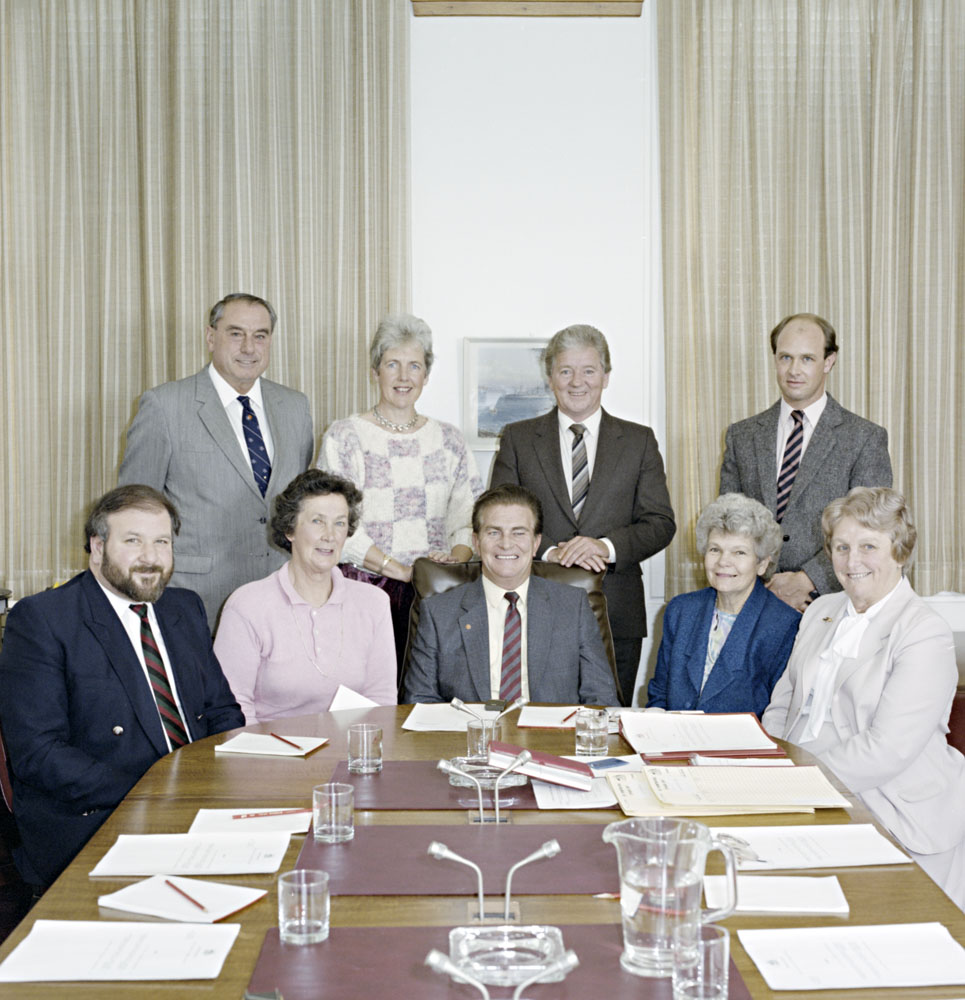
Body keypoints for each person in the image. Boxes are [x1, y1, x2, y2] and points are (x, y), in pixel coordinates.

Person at [0, 486, 244, 889]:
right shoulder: (44, 619)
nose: (150, 558)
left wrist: (216, 789)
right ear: (97, 547)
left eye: (161, 542)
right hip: (98, 816)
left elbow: (222, 712)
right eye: (133, 541)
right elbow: (39, 754)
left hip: (197, 805)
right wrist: (155, 794)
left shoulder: (184, 607)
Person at [762, 487, 965, 909]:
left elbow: (887, 748)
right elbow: (784, 704)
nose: (852, 561)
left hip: (894, 811)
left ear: (901, 551)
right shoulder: (822, 610)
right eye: (841, 546)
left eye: (868, 546)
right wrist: (769, 767)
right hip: (807, 795)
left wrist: (798, 785)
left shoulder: (923, 631)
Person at [491, 324, 676, 705]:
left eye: (589, 370)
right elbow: (498, 520)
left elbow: (660, 523)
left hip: (617, 613)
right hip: (535, 609)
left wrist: (604, 547)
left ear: (606, 377)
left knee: (609, 727)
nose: (577, 382)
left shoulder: (639, 441)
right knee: (539, 724)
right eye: (565, 371)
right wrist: (550, 553)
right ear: (550, 377)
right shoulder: (518, 438)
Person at [118, 292, 315, 629]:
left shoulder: (295, 406)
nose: (249, 348)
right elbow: (132, 512)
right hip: (195, 602)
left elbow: (299, 503)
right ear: (211, 337)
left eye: (260, 336)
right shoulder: (165, 406)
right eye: (236, 334)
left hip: (281, 597)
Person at [318, 313, 482, 672]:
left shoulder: (450, 440)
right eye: (393, 364)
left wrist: (455, 559)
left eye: (414, 366)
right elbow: (331, 525)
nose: (404, 377)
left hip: (438, 593)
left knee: (433, 701)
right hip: (365, 589)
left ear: (426, 373)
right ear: (375, 370)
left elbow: (468, 513)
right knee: (369, 702)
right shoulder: (345, 436)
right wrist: (401, 571)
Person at [720, 312, 892, 613]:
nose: (794, 370)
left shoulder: (865, 438)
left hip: (832, 602)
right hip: (755, 599)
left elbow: (871, 531)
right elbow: (729, 525)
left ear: (829, 361)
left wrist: (808, 579)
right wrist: (761, 585)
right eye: (785, 357)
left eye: (807, 359)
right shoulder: (742, 436)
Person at [402, 484, 618, 706]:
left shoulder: (573, 607)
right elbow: (419, 702)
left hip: (553, 737)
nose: (506, 544)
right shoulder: (438, 612)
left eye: (518, 533)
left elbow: (602, 700)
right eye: (494, 532)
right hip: (470, 736)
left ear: (536, 544)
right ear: (476, 542)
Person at [214, 470, 397, 721]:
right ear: (290, 530)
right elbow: (233, 705)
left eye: (340, 523)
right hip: (270, 753)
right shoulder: (246, 605)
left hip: (350, 754)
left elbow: (382, 702)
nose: (330, 535)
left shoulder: (374, 603)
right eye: (317, 521)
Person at [646, 493, 800, 717]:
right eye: (715, 549)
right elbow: (660, 693)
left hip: (740, 748)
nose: (723, 562)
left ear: (762, 563)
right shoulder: (681, 610)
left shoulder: (784, 624)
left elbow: (779, 714)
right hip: (674, 743)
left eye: (739, 552)